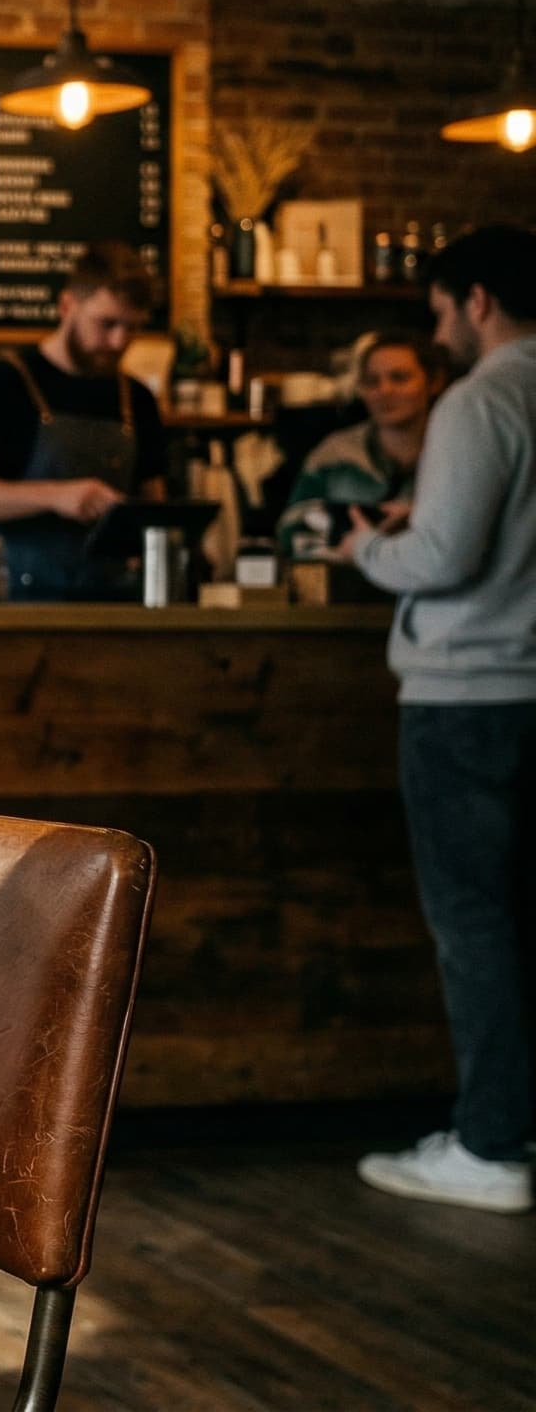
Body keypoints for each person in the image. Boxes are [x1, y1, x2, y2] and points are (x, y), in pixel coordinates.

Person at [335, 223, 536, 1215]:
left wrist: (369, 550)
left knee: (473, 924)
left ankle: (493, 1145)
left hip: (467, 695)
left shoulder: (481, 396)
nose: (439, 329)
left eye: (439, 311)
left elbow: (444, 558)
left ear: (477, 301)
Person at [0, 245, 169, 599]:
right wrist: (58, 496)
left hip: (117, 607)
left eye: (131, 328)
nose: (118, 341)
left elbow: (154, 508)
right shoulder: (4, 383)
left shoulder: (136, 399)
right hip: (14, 603)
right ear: (66, 306)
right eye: (106, 324)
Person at [275, 330, 449, 561]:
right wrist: (350, 547)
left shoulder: (456, 452)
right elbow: (291, 530)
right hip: (346, 587)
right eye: (371, 381)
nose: (384, 391)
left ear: (433, 382)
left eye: (399, 378)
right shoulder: (334, 454)